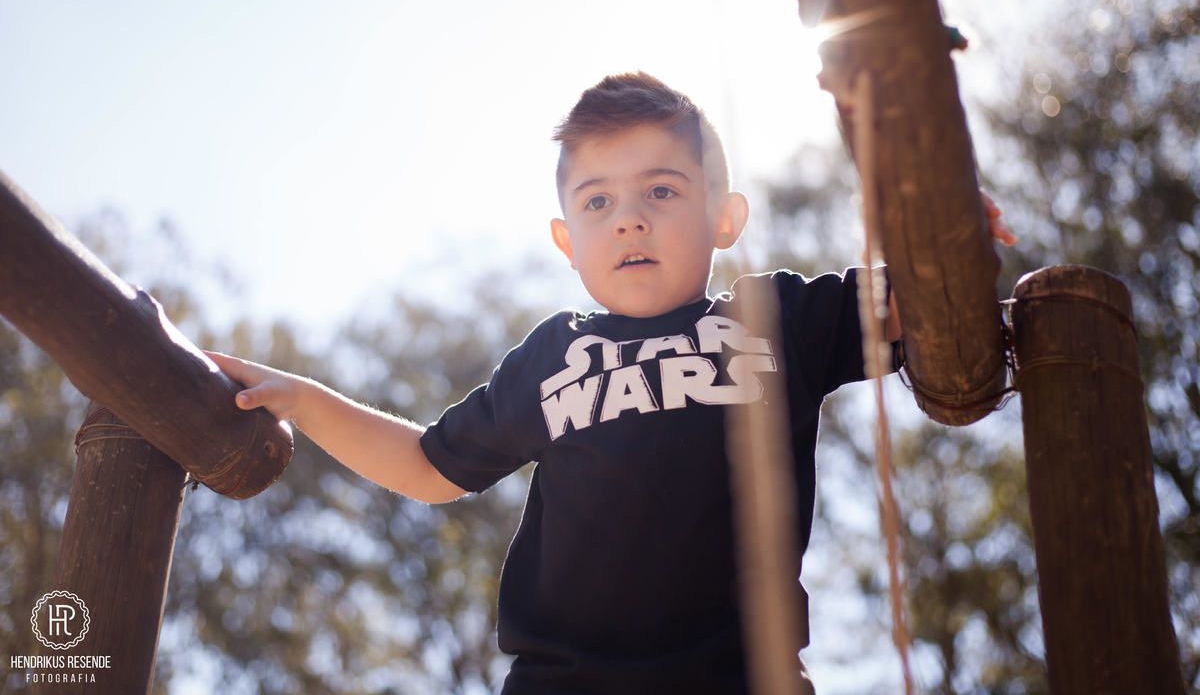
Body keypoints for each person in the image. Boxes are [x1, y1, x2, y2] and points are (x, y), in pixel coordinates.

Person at [209, 71, 1017, 693]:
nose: (629, 218)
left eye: (662, 191)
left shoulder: (781, 318)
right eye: (598, 201)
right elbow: (428, 466)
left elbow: (926, 297)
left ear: (725, 218)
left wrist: (950, 229)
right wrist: (303, 399)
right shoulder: (554, 355)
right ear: (567, 239)